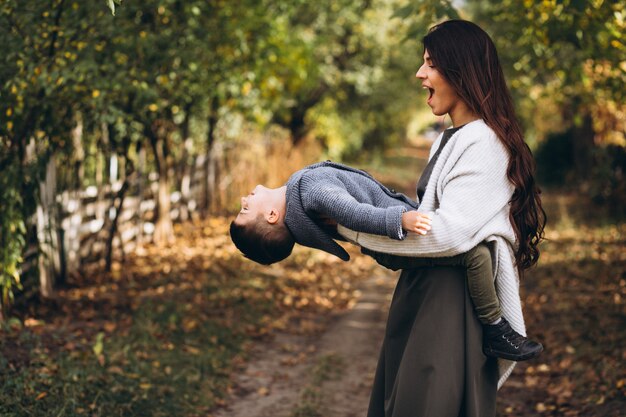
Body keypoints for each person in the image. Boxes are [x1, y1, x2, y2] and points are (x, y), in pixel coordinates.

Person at [335, 20, 546, 416]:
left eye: (430, 63)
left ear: (460, 70)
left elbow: (446, 234)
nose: (420, 74)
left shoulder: (485, 142)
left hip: (452, 305)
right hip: (423, 292)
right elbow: (424, 218)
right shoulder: (451, 138)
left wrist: (350, 226)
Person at [229, 161, 543, 362]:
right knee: (475, 255)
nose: (244, 201)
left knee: (468, 242)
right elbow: (353, 212)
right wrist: (400, 219)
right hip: (396, 240)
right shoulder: (309, 192)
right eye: (245, 210)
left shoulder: (301, 193)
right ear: (272, 216)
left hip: (393, 236)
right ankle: (495, 330)